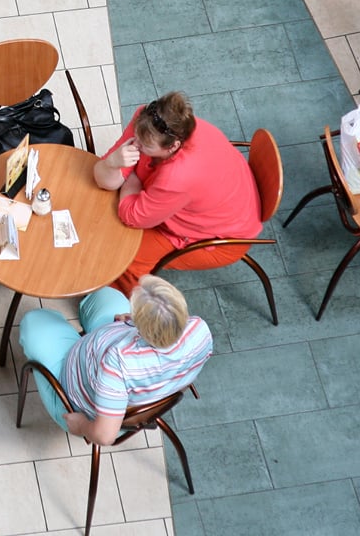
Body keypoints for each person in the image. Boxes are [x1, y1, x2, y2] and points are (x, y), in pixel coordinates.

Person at [93, 92, 263, 294]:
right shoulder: (152, 122)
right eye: (135, 136)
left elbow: (131, 216)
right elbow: (105, 173)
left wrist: (131, 177)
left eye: (145, 145)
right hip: (227, 197)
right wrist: (114, 164)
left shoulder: (178, 176)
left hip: (218, 236)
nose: (135, 145)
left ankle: (115, 310)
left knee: (126, 258)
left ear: (173, 146)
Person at [18, 275, 212, 445]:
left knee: (34, 320)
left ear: (145, 330)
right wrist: (132, 322)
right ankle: (85, 308)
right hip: (114, 358)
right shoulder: (199, 330)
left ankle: (54, 326)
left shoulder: (117, 364)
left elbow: (105, 436)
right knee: (104, 294)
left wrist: (81, 425)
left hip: (73, 391)